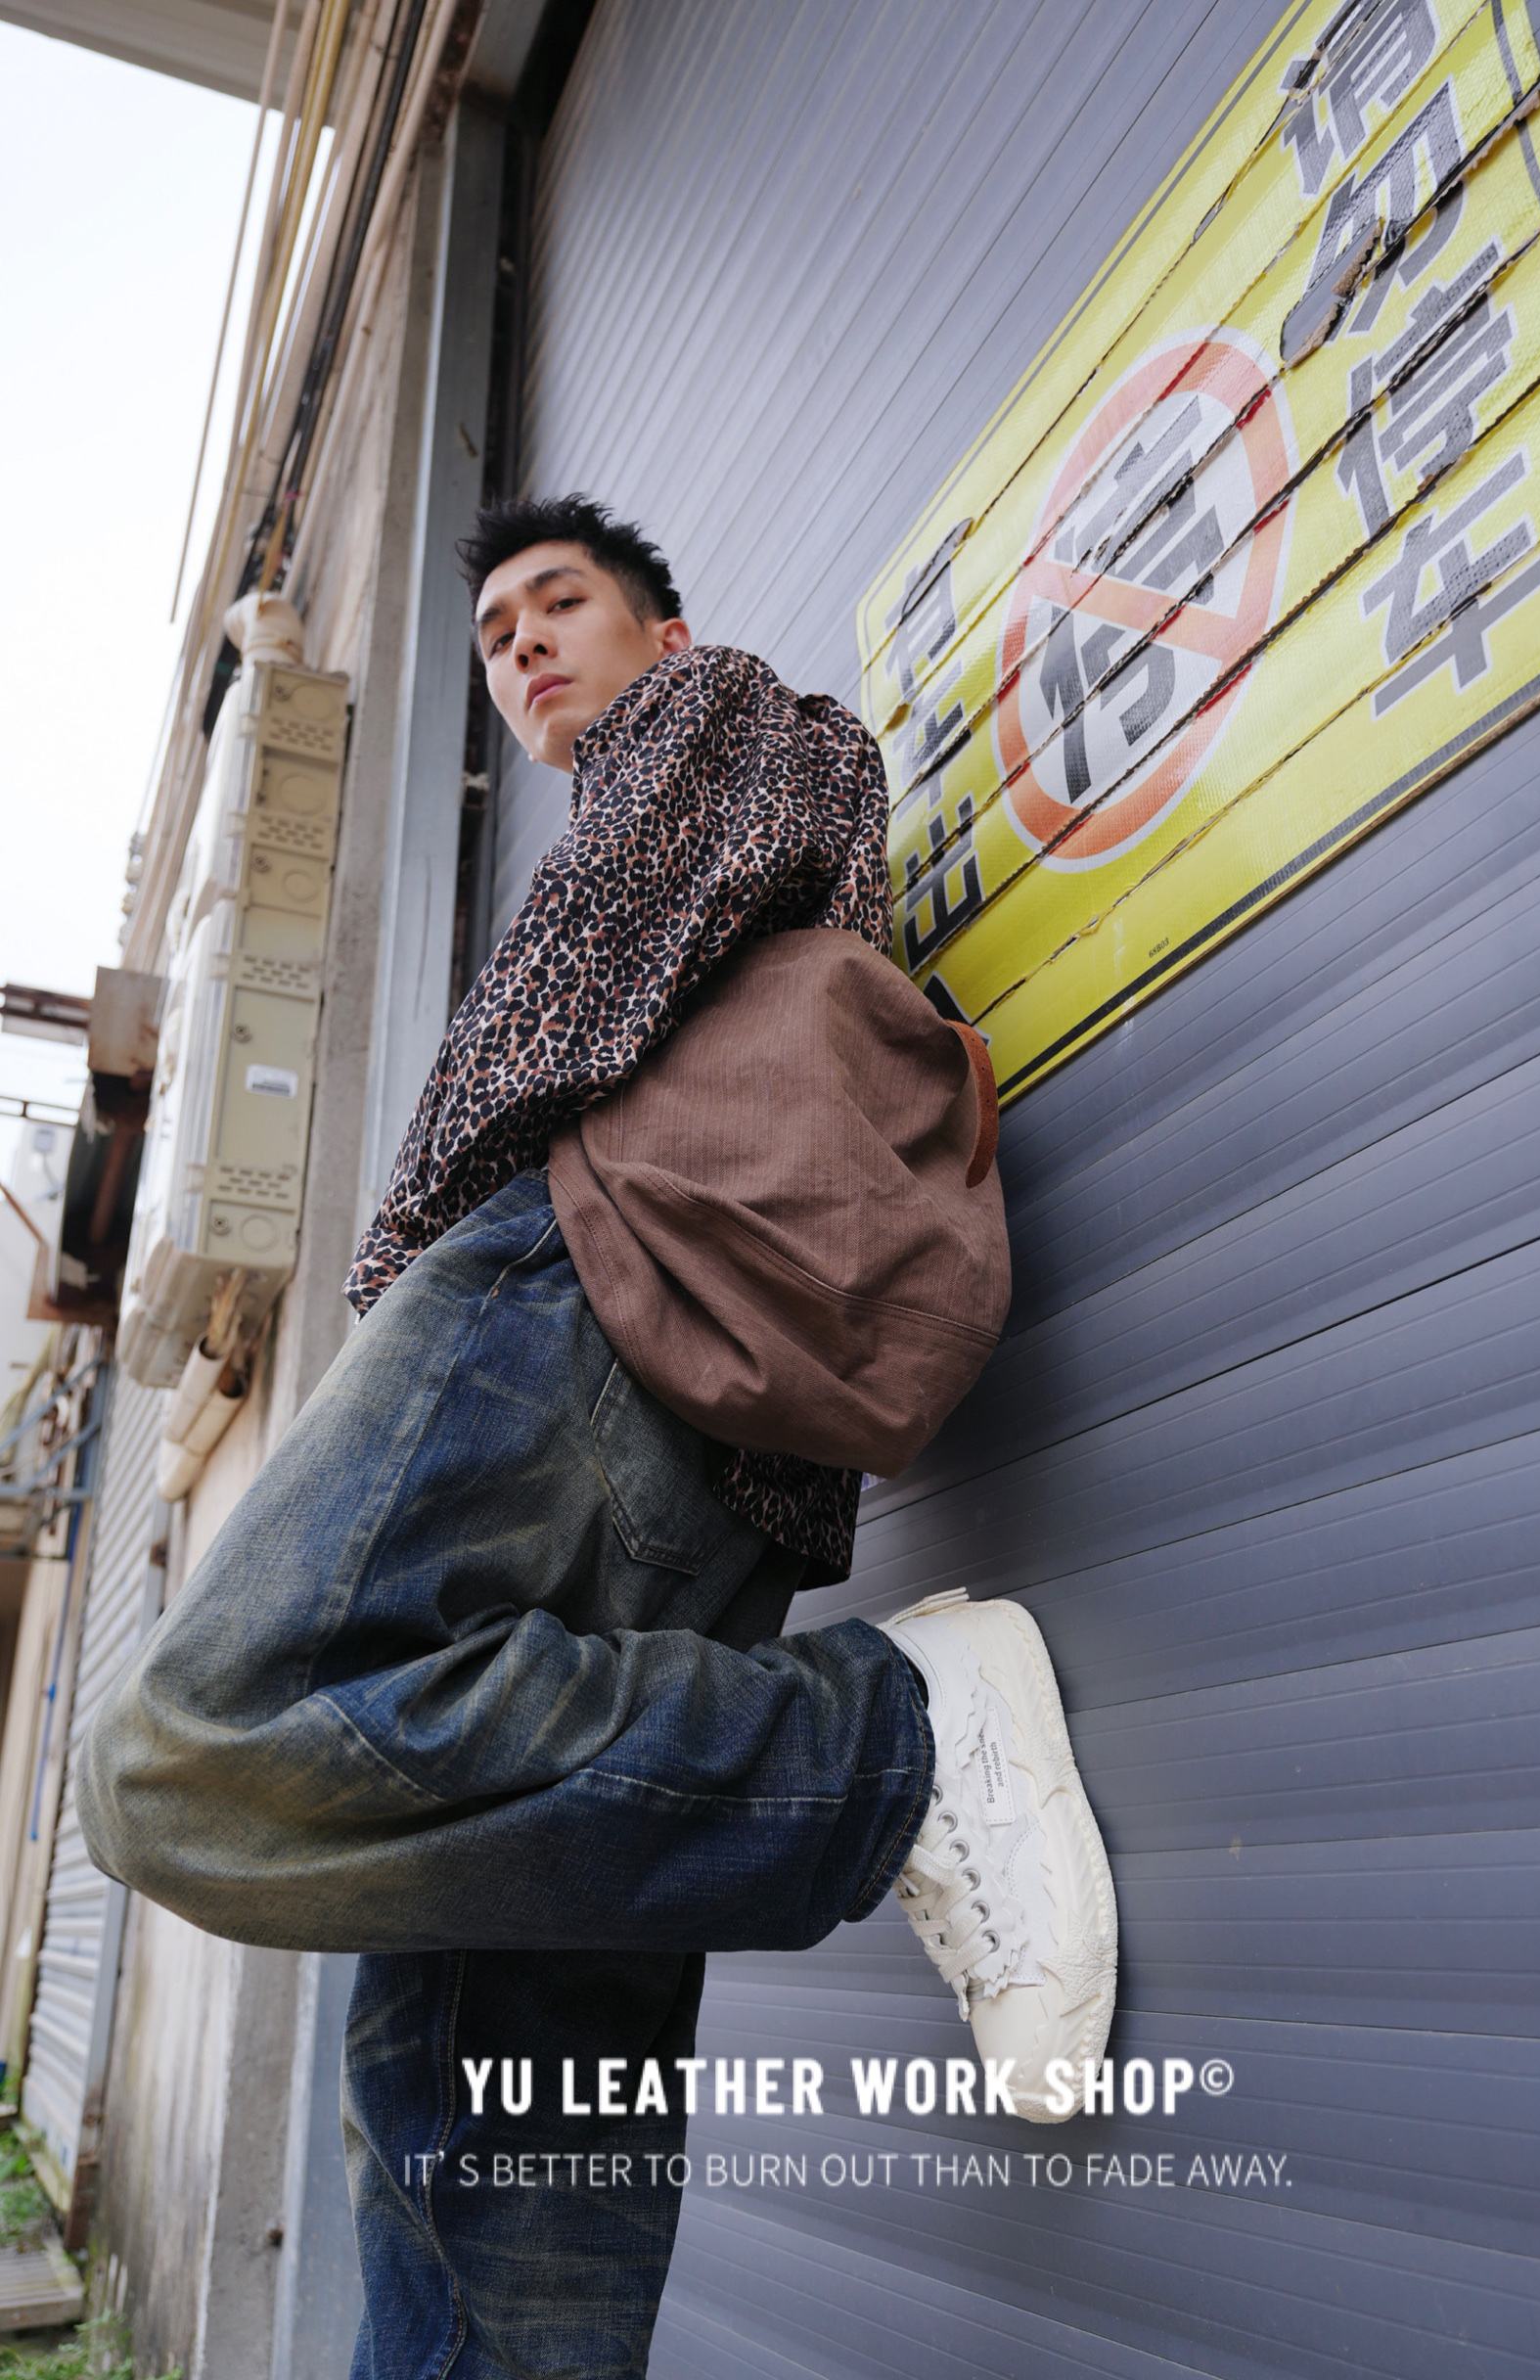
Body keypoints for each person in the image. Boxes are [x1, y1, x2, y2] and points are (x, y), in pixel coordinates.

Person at [76, 497, 1116, 2379]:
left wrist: (408, 1261)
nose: (524, 646)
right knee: (494, 2128)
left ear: (665, 631)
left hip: (581, 1290)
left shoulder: (724, 719)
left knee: (192, 1748)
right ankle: (872, 1750)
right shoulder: (701, 789)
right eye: (493, 635)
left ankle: (886, 1741)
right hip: (708, 1438)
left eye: (558, 604)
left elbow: (561, 1023)